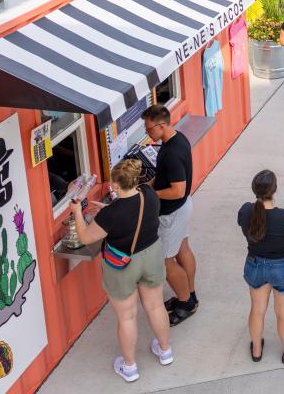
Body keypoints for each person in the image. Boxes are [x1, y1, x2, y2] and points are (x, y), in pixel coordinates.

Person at [69, 158, 172, 382]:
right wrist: (109, 210)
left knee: (127, 317)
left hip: (123, 264)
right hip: (152, 254)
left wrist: (77, 211)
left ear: (115, 186)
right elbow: (134, 213)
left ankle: (130, 367)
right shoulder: (149, 194)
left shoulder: (110, 215)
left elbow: (86, 237)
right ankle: (165, 351)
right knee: (155, 306)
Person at [238, 170, 284, 364]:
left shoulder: (245, 211)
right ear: (274, 190)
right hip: (283, 267)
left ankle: (257, 349)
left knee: (257, 310)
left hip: (255, 264)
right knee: (283, 313)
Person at [142, 105, 197, 326]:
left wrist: (151, 194)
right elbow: (164, 176)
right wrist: (149, 185)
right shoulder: (176, 139)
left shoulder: (172, 153)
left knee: (166, 262)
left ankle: (185, 304)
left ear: (161, 125)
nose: (147, 134)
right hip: (182, 208)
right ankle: (190, 294)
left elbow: (178, 190)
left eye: (148, 129)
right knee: (183, 249)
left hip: (172, 213)